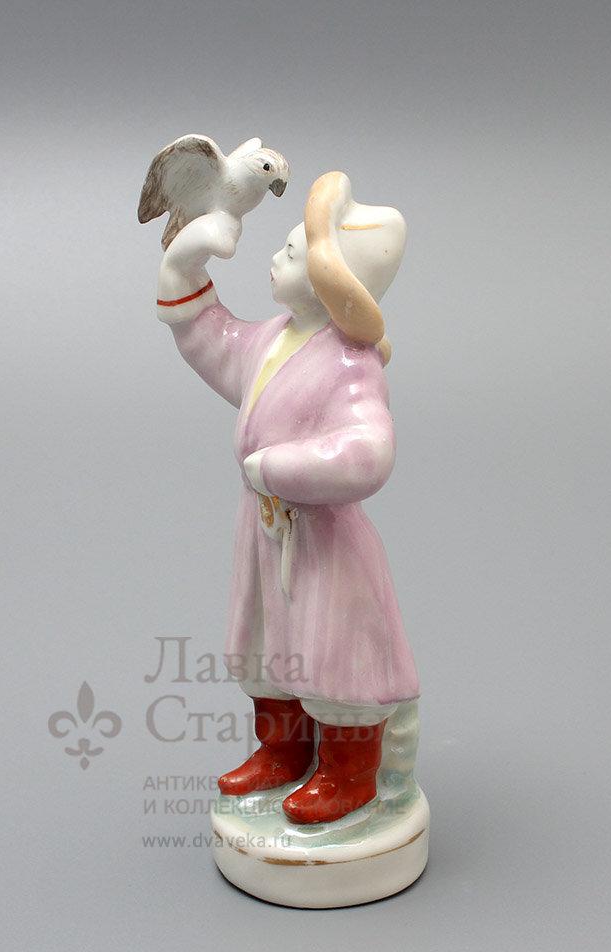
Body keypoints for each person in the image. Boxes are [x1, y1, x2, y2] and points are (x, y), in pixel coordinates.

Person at [156, 171, 419, 824]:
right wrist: (184, 264)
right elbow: (214, 343)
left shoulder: (351, 365)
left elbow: (369, 451)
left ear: (330, 282)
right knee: (268, 645)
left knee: (335, 654)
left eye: (293, 251)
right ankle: (282, 750)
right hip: (268, 531)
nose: (275, 256)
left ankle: (348, 772)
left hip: (323, 543)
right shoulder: (275, 337)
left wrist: (277, 467)